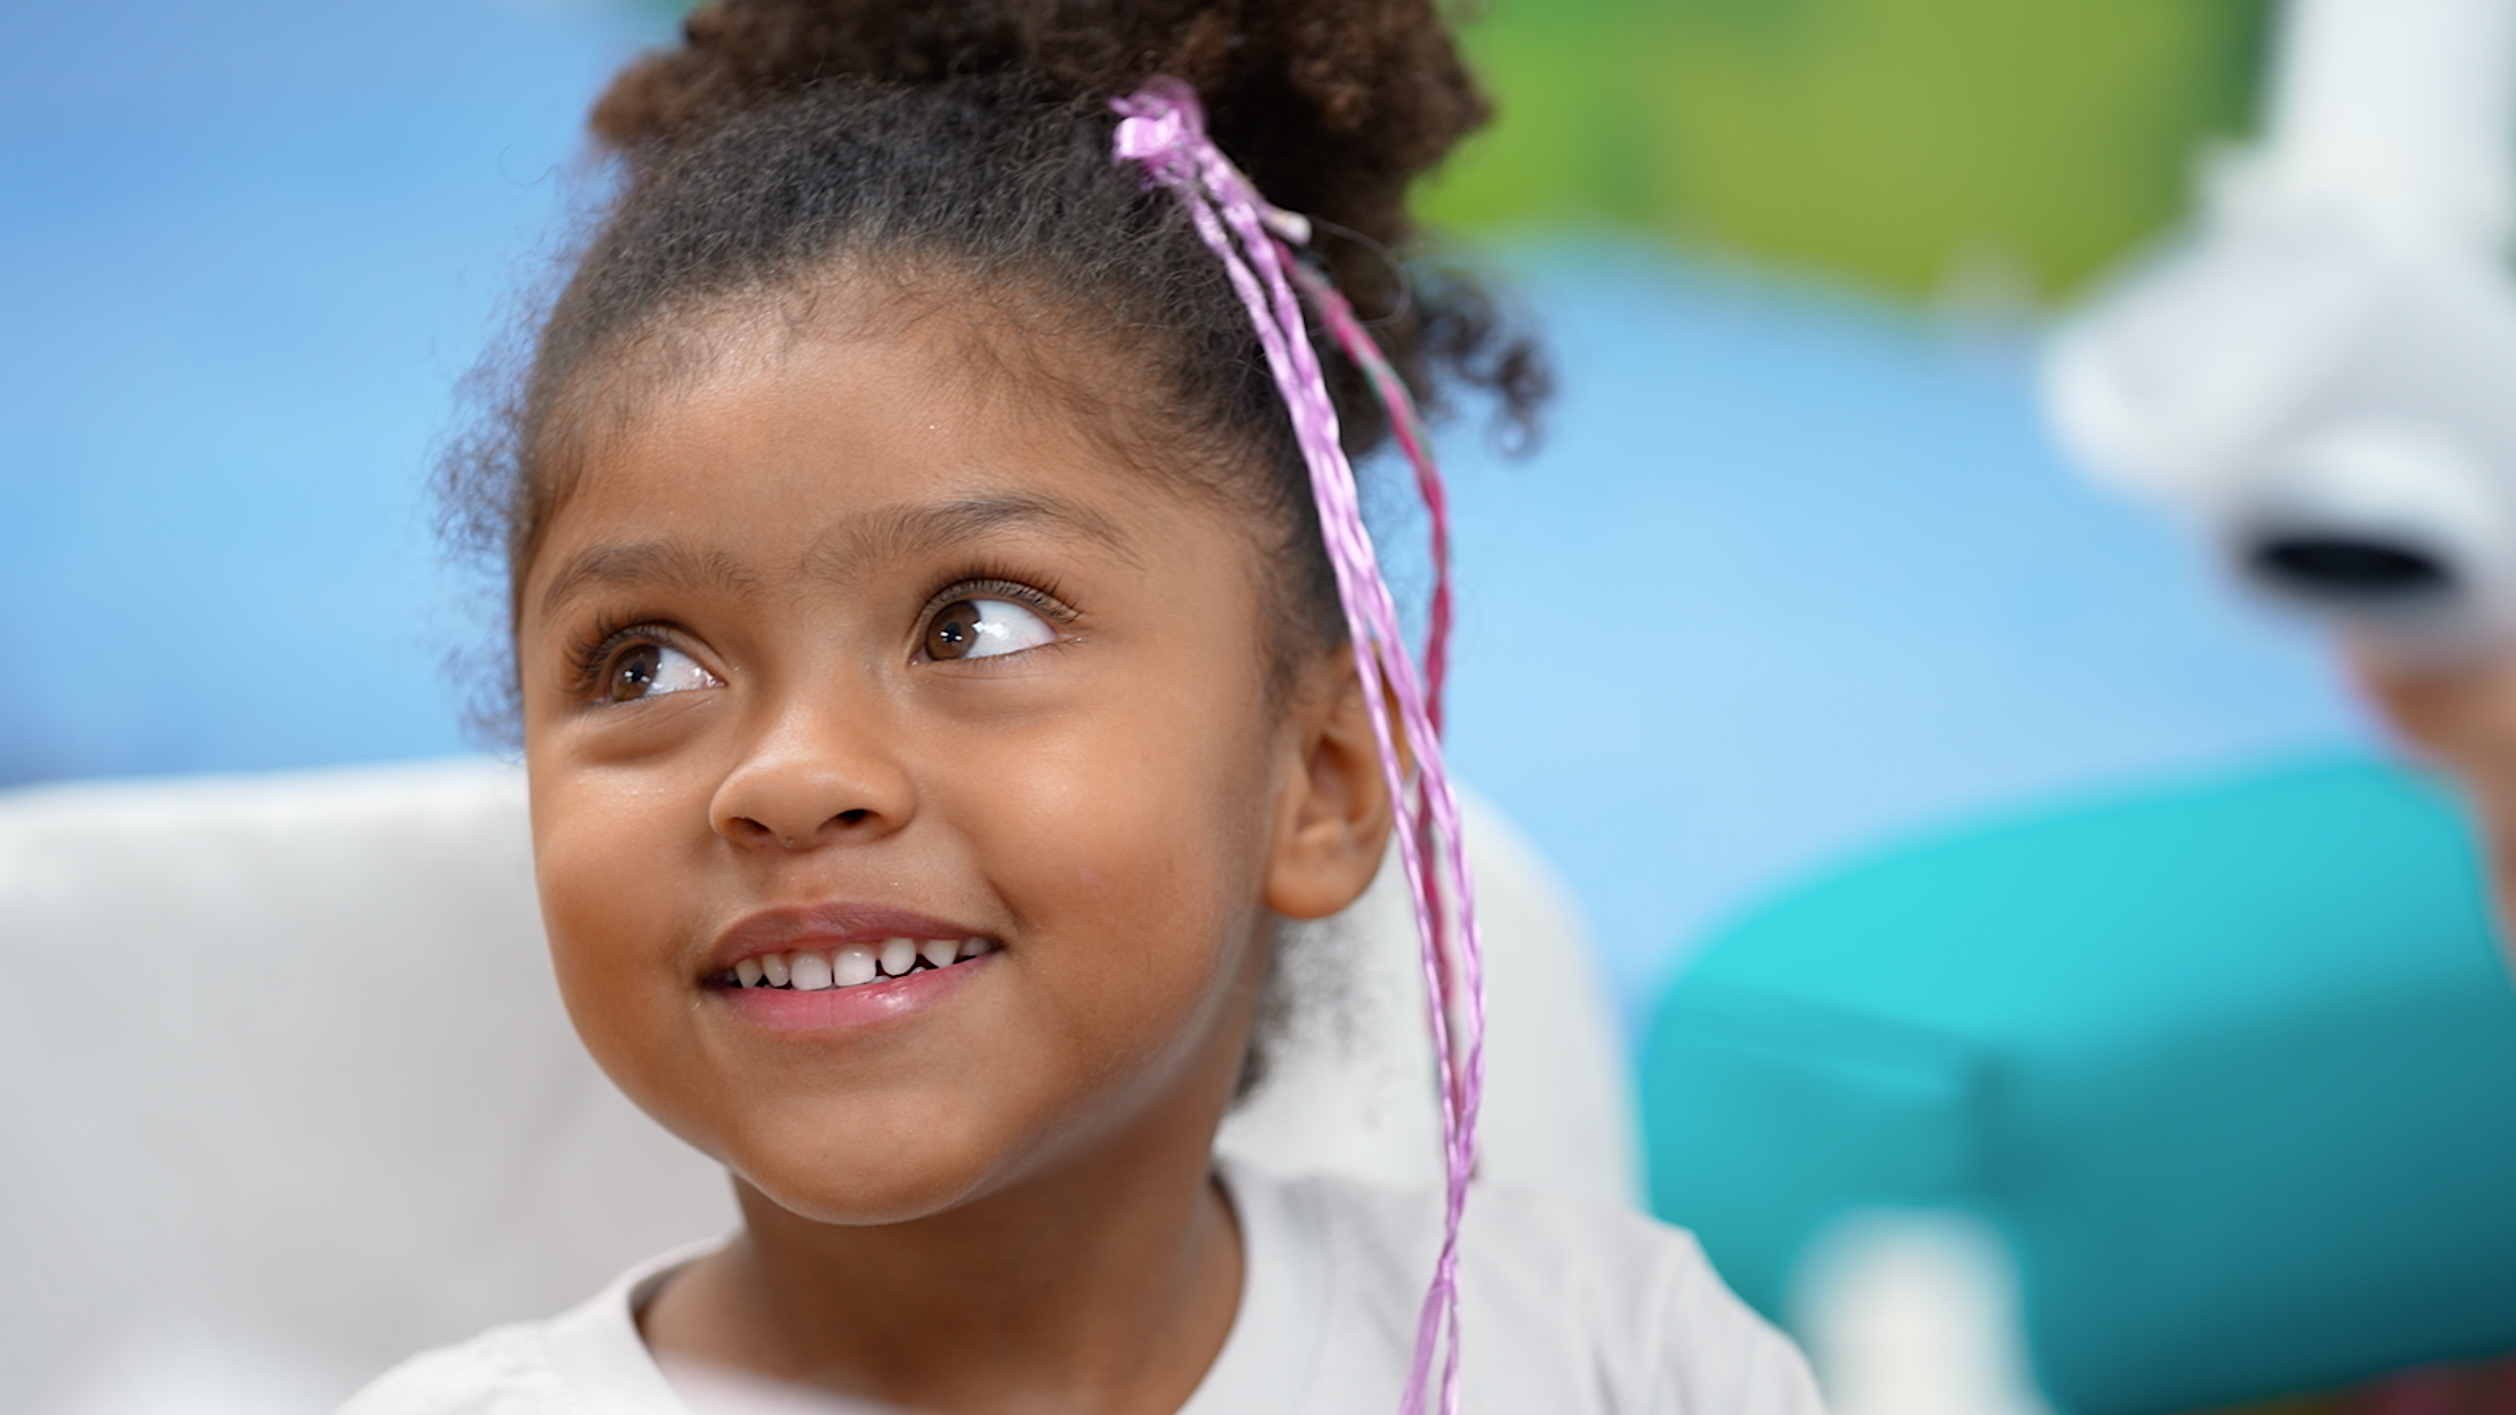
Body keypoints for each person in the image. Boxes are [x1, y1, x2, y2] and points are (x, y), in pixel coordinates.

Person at [341, 2, 1825, 1411]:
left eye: (973, 624)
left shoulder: (1618, 1367)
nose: (787, 777)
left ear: (1315, 783)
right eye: (646, 661)